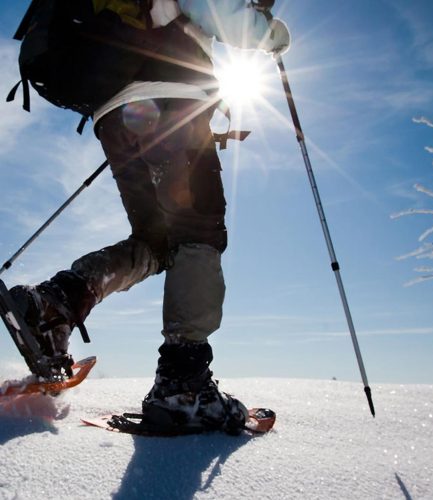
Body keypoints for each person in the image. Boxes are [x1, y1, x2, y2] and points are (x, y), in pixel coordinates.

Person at [9, 0, 290, 435]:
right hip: (166, 99)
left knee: (156, 241)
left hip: (114, 110)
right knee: (199, 231)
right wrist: (270, 32)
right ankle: (184, 384)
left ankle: (54, 305)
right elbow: (215, 11)